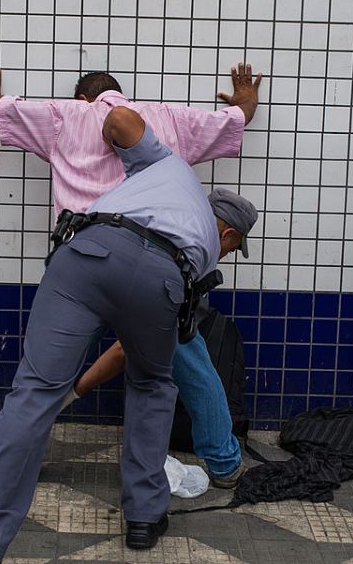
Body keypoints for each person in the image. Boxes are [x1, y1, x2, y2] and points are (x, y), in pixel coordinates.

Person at [0, 107, 222, 563]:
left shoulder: (166, 162)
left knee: (33, 393)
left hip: (89, 249)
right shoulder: (206, 234)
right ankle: (145, 517)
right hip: (166, 275)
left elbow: (122, 119)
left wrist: (95, 122)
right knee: (153, 383)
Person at [64, 188, 258, 488]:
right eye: (232, 248)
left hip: (82, 263)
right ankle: (224, 463)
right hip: (145, 288)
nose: (227, 255)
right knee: (198, 371)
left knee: (49, 369)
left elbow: (125, 347)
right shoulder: (191, 258)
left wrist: (72, 391)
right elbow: (124, 350)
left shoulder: (167, 223)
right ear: (228, 234)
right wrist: (76, 391)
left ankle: (14, 447)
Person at [0, 63, 262, 219]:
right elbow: (232, 121)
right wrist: (246, 102)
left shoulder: (63, 115)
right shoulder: (170, 118)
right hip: (147, 248)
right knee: (140, 331)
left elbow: (2, 107)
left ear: (83, 99)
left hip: (79, 245)